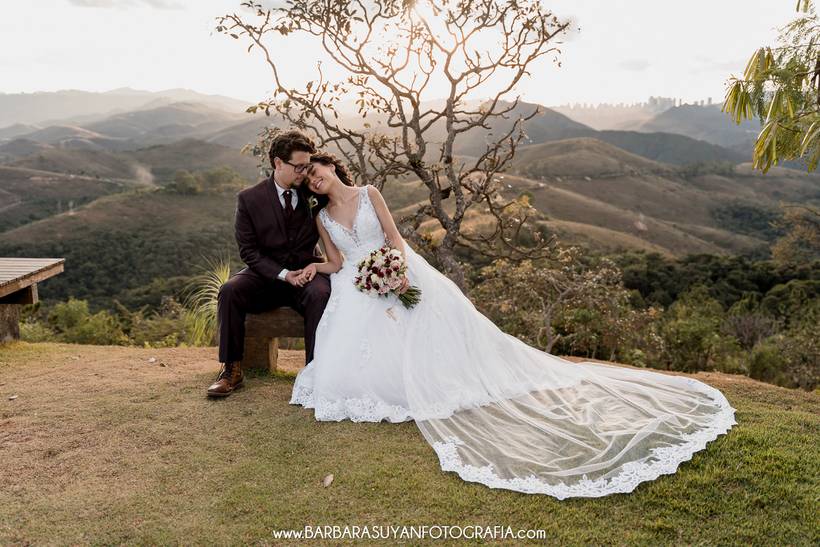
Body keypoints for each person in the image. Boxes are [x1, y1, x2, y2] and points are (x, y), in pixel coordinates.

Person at [287, 151, 738, 499]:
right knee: (350, 357)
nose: (315, 178)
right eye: (308, 178)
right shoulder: (321, 217)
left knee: (428, 326)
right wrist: (314, 270)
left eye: (317, 169)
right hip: (356, 282)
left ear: (331, 166)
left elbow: (395, 237)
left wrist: (396, 270)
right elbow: (337, 261)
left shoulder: (370, 193)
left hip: (397, 268)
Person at [207, 131, 331, 398]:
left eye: (307, 166)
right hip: (266, 276)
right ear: (278, 163)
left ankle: (315, 374)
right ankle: (231, 371)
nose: (304, 173)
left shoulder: (315, 194)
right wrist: (284, 275)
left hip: (308, 273)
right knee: (230, 291)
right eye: (298, 167)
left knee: (321, 294)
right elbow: (248, 252)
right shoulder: (249, 199)